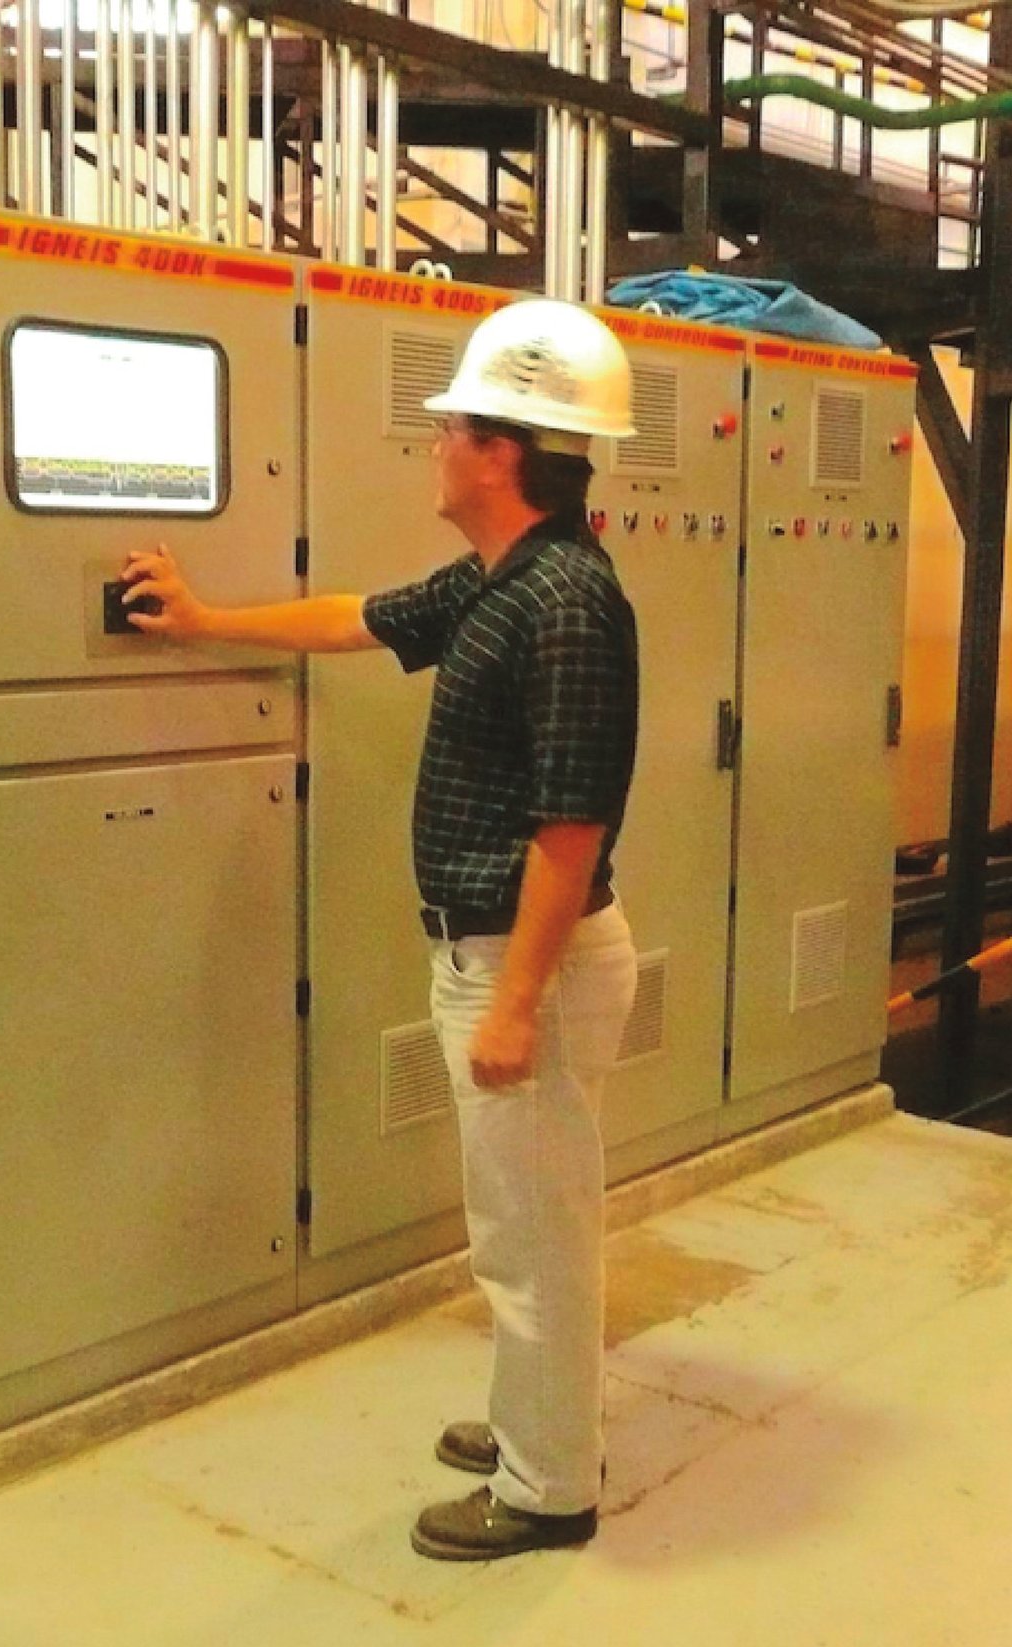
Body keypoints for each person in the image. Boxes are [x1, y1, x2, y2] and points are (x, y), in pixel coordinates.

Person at [119, 297, 642, 1562]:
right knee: (525, 1219)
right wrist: (203, 618)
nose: (436, 444)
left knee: (533, 1236)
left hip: (529, 965)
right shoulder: (504, 579)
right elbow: (359, 617)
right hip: (497, 955)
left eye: (450, 426)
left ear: (502, 451)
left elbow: (571, 825)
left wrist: (515, 1000)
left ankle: (548, 1488)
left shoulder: (563, 599)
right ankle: (538, 1421)